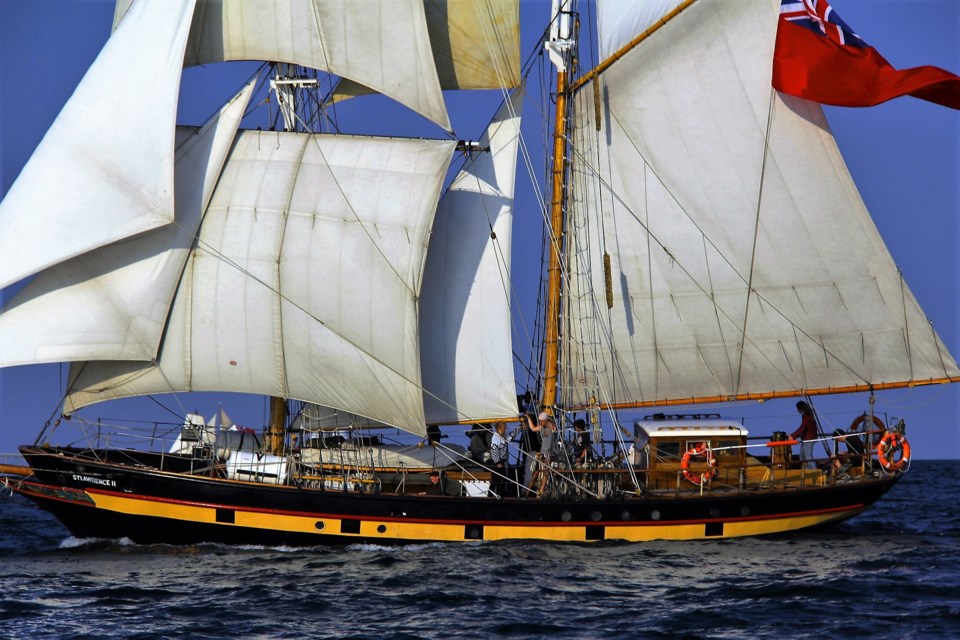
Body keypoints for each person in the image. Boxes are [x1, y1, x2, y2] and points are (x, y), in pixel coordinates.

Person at [488, 421, 520, 497]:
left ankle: (502, 495)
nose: (505, 430)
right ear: (499, 429)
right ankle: (490, 495)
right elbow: (494, 451)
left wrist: (519, 428)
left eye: (505, 429)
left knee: (503, 479)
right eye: (503, 429)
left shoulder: (503, 436)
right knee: (495, 480)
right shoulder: (495, 438)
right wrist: (497, 462)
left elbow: (511, 436)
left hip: (502, 461)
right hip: (497, 462)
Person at [790, 401, 818, 470]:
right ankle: (806, 470)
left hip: (809, 439)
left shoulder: (807, 416)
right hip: (806, 439)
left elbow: (802, 428)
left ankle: (814, 471)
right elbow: (803, 428)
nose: (797, 410)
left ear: (801, 408)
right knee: (802, 455)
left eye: (798, 409)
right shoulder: (807, 415)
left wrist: (792, 436)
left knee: (808, 456)